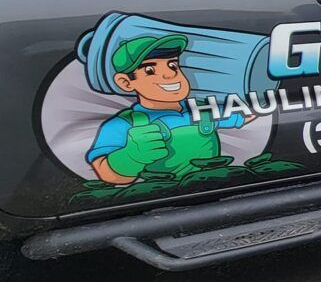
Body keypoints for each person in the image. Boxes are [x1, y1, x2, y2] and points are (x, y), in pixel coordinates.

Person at [86, 34, 253, 184]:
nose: (170, 75)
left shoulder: (202, 109)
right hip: (163, 195)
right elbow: (105, 172)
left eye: (173, 66)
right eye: (150, 70)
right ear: (125, 82)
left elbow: (246, 114)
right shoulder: (123, 124)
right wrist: (131, 157)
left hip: (214, 186)